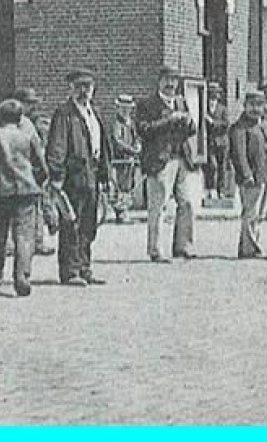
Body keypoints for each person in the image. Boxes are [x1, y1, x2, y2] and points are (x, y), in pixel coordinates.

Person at [45, 69, 114, 286]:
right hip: (72, 177)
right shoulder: (64, 114)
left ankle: (84, 267)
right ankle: (70, 271)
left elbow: (103, 146)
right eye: (79, 86)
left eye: (88, 86)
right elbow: (57, 146)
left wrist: (106, 174)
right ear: (71, 88)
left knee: (88, 224)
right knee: (70, 224)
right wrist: (56, 176)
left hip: (92, 176)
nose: (84, 91)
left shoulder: (95, 114)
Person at [0, 98, 48, 296]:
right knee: (24, 236)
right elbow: (42, 166)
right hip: (27, 191)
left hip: (1, 191)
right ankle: (22, 276)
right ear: (19, 117)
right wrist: (36, 181)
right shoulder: (27, 137)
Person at [135, 66, 201, 262]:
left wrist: (188, 121)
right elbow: (143, 130)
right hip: (160, 161)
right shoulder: (147, 105)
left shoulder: (180, 102)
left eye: (173, 80)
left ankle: (184, 246)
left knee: (187, 202)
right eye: (167, 80)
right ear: (159, 81)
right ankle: (156, 249)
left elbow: (192, 130)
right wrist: (168, 120)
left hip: (181, 158)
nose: (171, 84)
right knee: (158, 205)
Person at [228, 91, 267, 259]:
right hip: (250, 178)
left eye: (259, 105)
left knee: (259, 214)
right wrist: (246, 174)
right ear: (245, 106)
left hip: (265, 175)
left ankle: (248, 245)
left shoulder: (264, 126)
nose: (255, 109)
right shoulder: (239, 127)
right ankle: (251, 249)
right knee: (250, 213)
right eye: (252, 105)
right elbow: (238, 154)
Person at [13, 87, 57, 256]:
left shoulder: (32, 121)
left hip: (32, 169)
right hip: (22, 169)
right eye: (28, 103)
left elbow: (40, 145)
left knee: (36, 206)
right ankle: (15, 244)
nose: (31, 107)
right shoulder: (20, 122)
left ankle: (38, 241)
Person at [108, 94, 140, 223]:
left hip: (130, 160)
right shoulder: (116, 124)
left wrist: (138, 145)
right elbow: (117, 141)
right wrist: (131, 150)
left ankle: (124, 210)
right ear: (118, 109)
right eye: (123, 108)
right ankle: (120, 212)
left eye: (128, 109)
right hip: (119, 160)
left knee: (129, 185)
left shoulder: (131, 123)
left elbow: (136, 136)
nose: (126, 111)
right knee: (120, 185)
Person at [203, 84, 231, 200]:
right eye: (211, 96)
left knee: (222, 167)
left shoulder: (223, 109)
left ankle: (222, 191)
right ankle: (211, 188)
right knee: (212, 166)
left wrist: (212, 122)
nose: (213, 98)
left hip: (222, 143)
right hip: (209, 143)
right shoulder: (204, 109)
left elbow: (226, 124)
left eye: (215, 96)